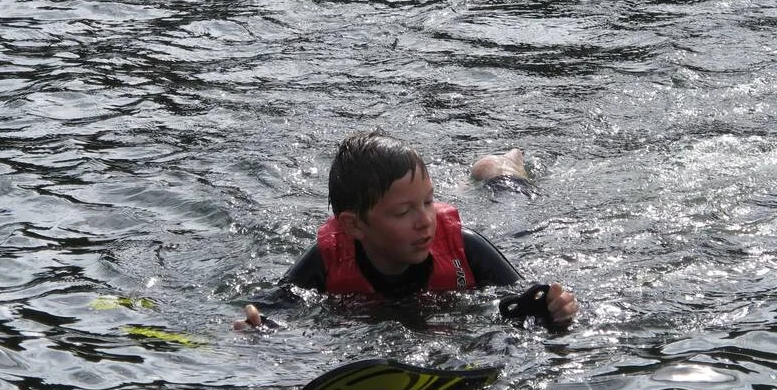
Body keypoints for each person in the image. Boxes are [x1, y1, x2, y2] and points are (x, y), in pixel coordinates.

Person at [235, 130, 578, 329]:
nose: (425, 220)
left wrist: (553, 307)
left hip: (505, 223)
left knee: (513, 202)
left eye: (429, 202)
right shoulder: (328, 261)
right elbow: (270, 309)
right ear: (354, 226)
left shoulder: (467, 248)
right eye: (403, 211)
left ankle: (499, 168)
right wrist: (256, 327)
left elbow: (523, 299)